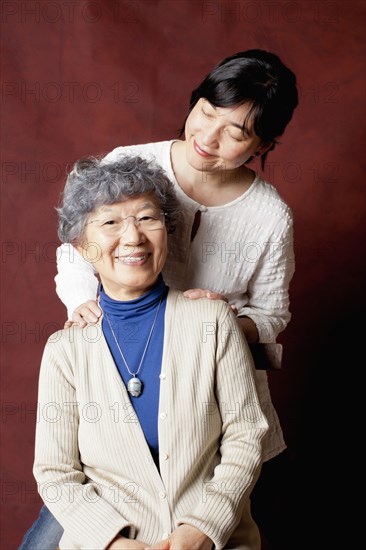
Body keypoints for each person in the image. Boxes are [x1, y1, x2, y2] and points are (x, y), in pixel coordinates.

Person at [20, 48, 298, 548]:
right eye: (206, 113)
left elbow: (273, 312)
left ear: (263, 144)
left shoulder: (269, 216)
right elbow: (79, 245)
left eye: (235, 133)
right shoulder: (132, 165)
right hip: (116, 409)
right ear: (194, 102)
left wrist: (219, 325)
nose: (208, 139)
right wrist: (85, 304)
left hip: (208, 418)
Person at [28, 155, 268, 550]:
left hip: (212, 537)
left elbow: (246, 435)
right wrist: (112, 542)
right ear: (83, 248)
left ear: (167, 231)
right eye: (109, 223)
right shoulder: (65, 351)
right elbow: (56, 473)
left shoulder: (213, 321)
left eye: (147, 218)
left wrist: (203, 529)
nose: (133, 237)